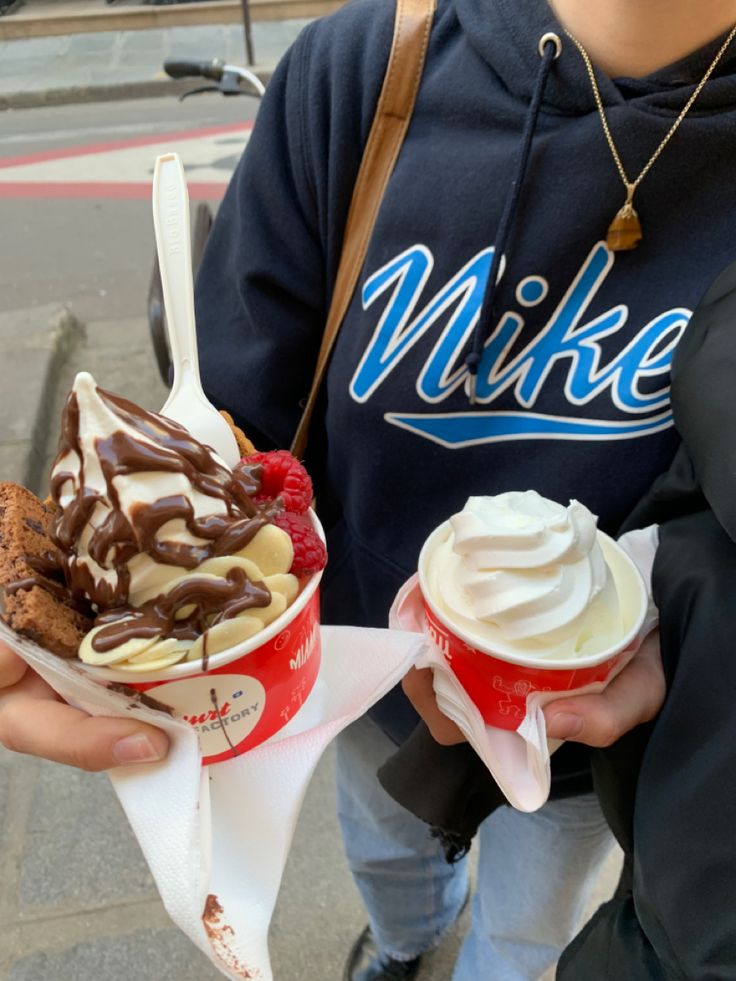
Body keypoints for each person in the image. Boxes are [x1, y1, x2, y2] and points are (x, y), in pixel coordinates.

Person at [2, 0, 736, 979]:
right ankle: (401, 946)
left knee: (524, 935)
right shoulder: (365, 73)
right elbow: (222, 457)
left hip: (595, 730)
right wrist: (101, 585)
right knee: (389, 866)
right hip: (360, 681)